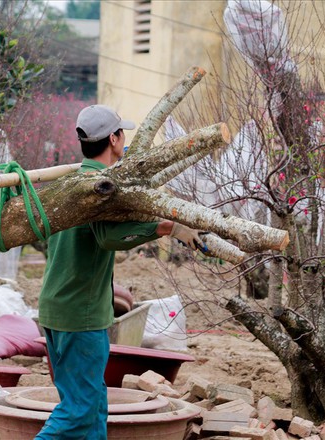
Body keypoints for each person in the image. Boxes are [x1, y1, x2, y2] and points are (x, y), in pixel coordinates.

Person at [36, 105, 206, 439]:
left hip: (58, 309)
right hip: (79, 318)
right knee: (78, 409)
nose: (125, 140)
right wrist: (166, 227)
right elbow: (110, 236)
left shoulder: (71, 182)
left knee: (94, 403)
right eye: (122, 134)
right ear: (114, 139)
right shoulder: (97, 189)